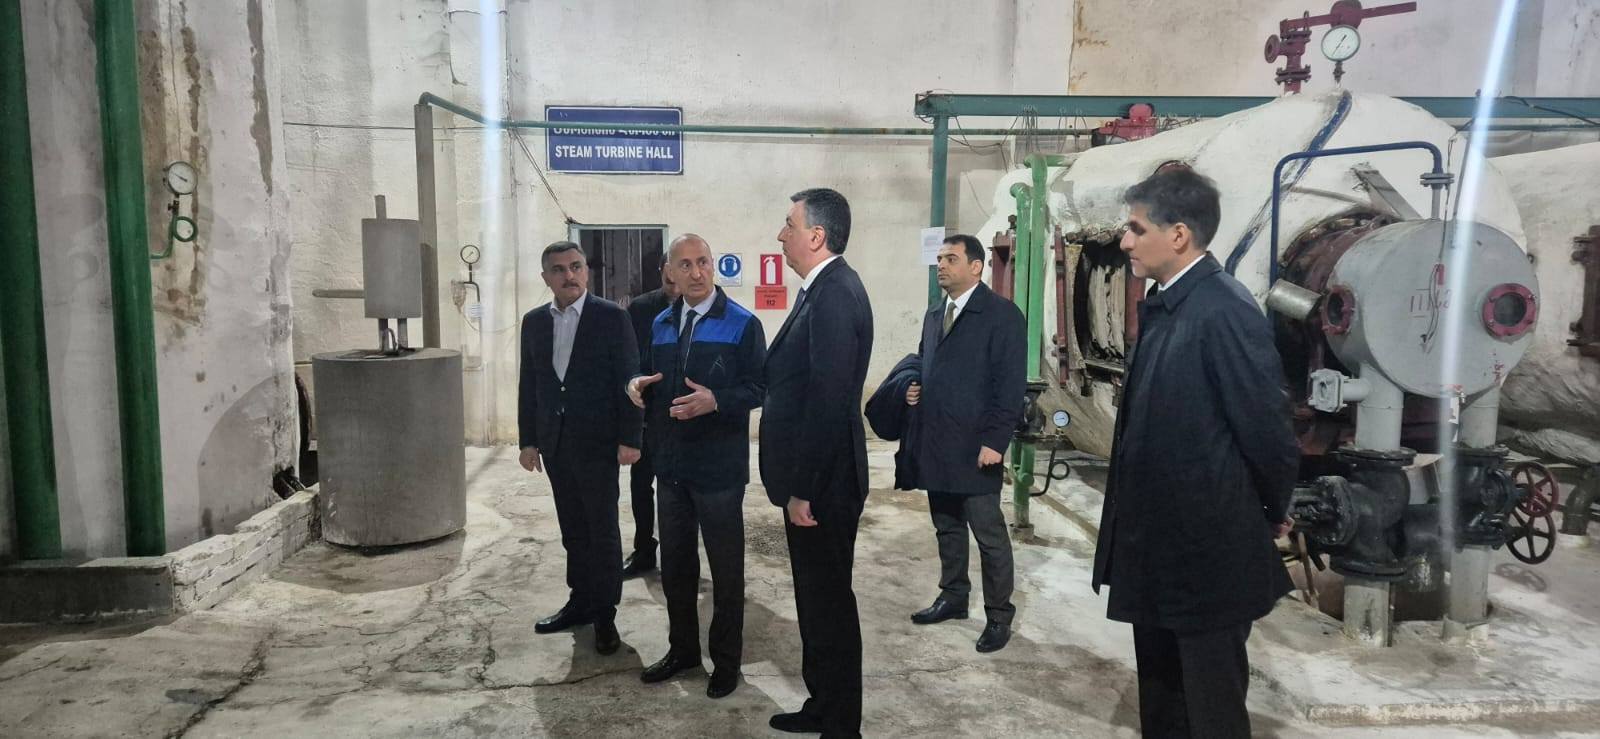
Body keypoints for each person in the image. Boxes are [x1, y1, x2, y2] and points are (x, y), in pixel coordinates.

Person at [1090, 168, 1299, 738]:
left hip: (1206, 549)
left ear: (1178, 234)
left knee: (1210, 703)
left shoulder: (1222, 309)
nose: (1125, 242)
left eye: (1136, 229)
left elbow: (1267, 431)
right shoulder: (1168, 304)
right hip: (1159, 545)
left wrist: (1271, 509)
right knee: (1163, 694)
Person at [626, 234, 767, 699]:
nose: (696, 272)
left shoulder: (742, 324)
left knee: (726, 573)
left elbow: (761, 388)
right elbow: (648, 375)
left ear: (714, 265)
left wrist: (717, 401)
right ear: (670, 273)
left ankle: (726, 662)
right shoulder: (662, 323)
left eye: (703, 262)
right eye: (684, 265)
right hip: (671, 469)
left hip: (719, 471)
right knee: (676, 569)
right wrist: (635, 385)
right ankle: (683, 650)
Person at [761, 188, 873, 739]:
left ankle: (842, 725)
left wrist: (803, 487)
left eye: (789, 224)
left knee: (829, 604)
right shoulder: (821, 290)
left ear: (816, 235)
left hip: (824, 485)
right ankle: (823, 704)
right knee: (815, 599)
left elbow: (828, 401)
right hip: (816, 480)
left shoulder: (834, 295)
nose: (781, 234)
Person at [517, 240, 642, 656]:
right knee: (573, 529)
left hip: (598, 443)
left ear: (586, 271)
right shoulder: (535, 322)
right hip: (555, 443)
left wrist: (630, 438)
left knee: (601, 530)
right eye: (558, 269)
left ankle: (604, 613)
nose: (568, 275)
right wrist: (528, 440)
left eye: (575, 266)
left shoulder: (611, 317)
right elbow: (530, 383)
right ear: (546, 277)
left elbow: (630, 380)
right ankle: (580, 601)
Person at [903, 234, 1025, 653]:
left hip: (977, 448)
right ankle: (954, 596)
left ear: (976, 266)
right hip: (938, 441)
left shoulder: (1002, 316)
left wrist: (996, 441)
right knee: (947, 527)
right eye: (939, 258)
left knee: (989, 536)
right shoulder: (934, 314)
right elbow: (923, 360)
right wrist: (913, 386)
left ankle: (998, 615)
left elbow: (1010, 385)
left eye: (951, 258)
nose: (941, 265)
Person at [622, 261, 681, 578]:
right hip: (648, 414)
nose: (675, 282)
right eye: (669, 273)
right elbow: (630, 359)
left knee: (681, 488)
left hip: (686, 416)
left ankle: (679, 554)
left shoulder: (702, 308)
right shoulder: (641, 308)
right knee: (641, 485)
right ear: (662, 271)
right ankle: (644, 549)